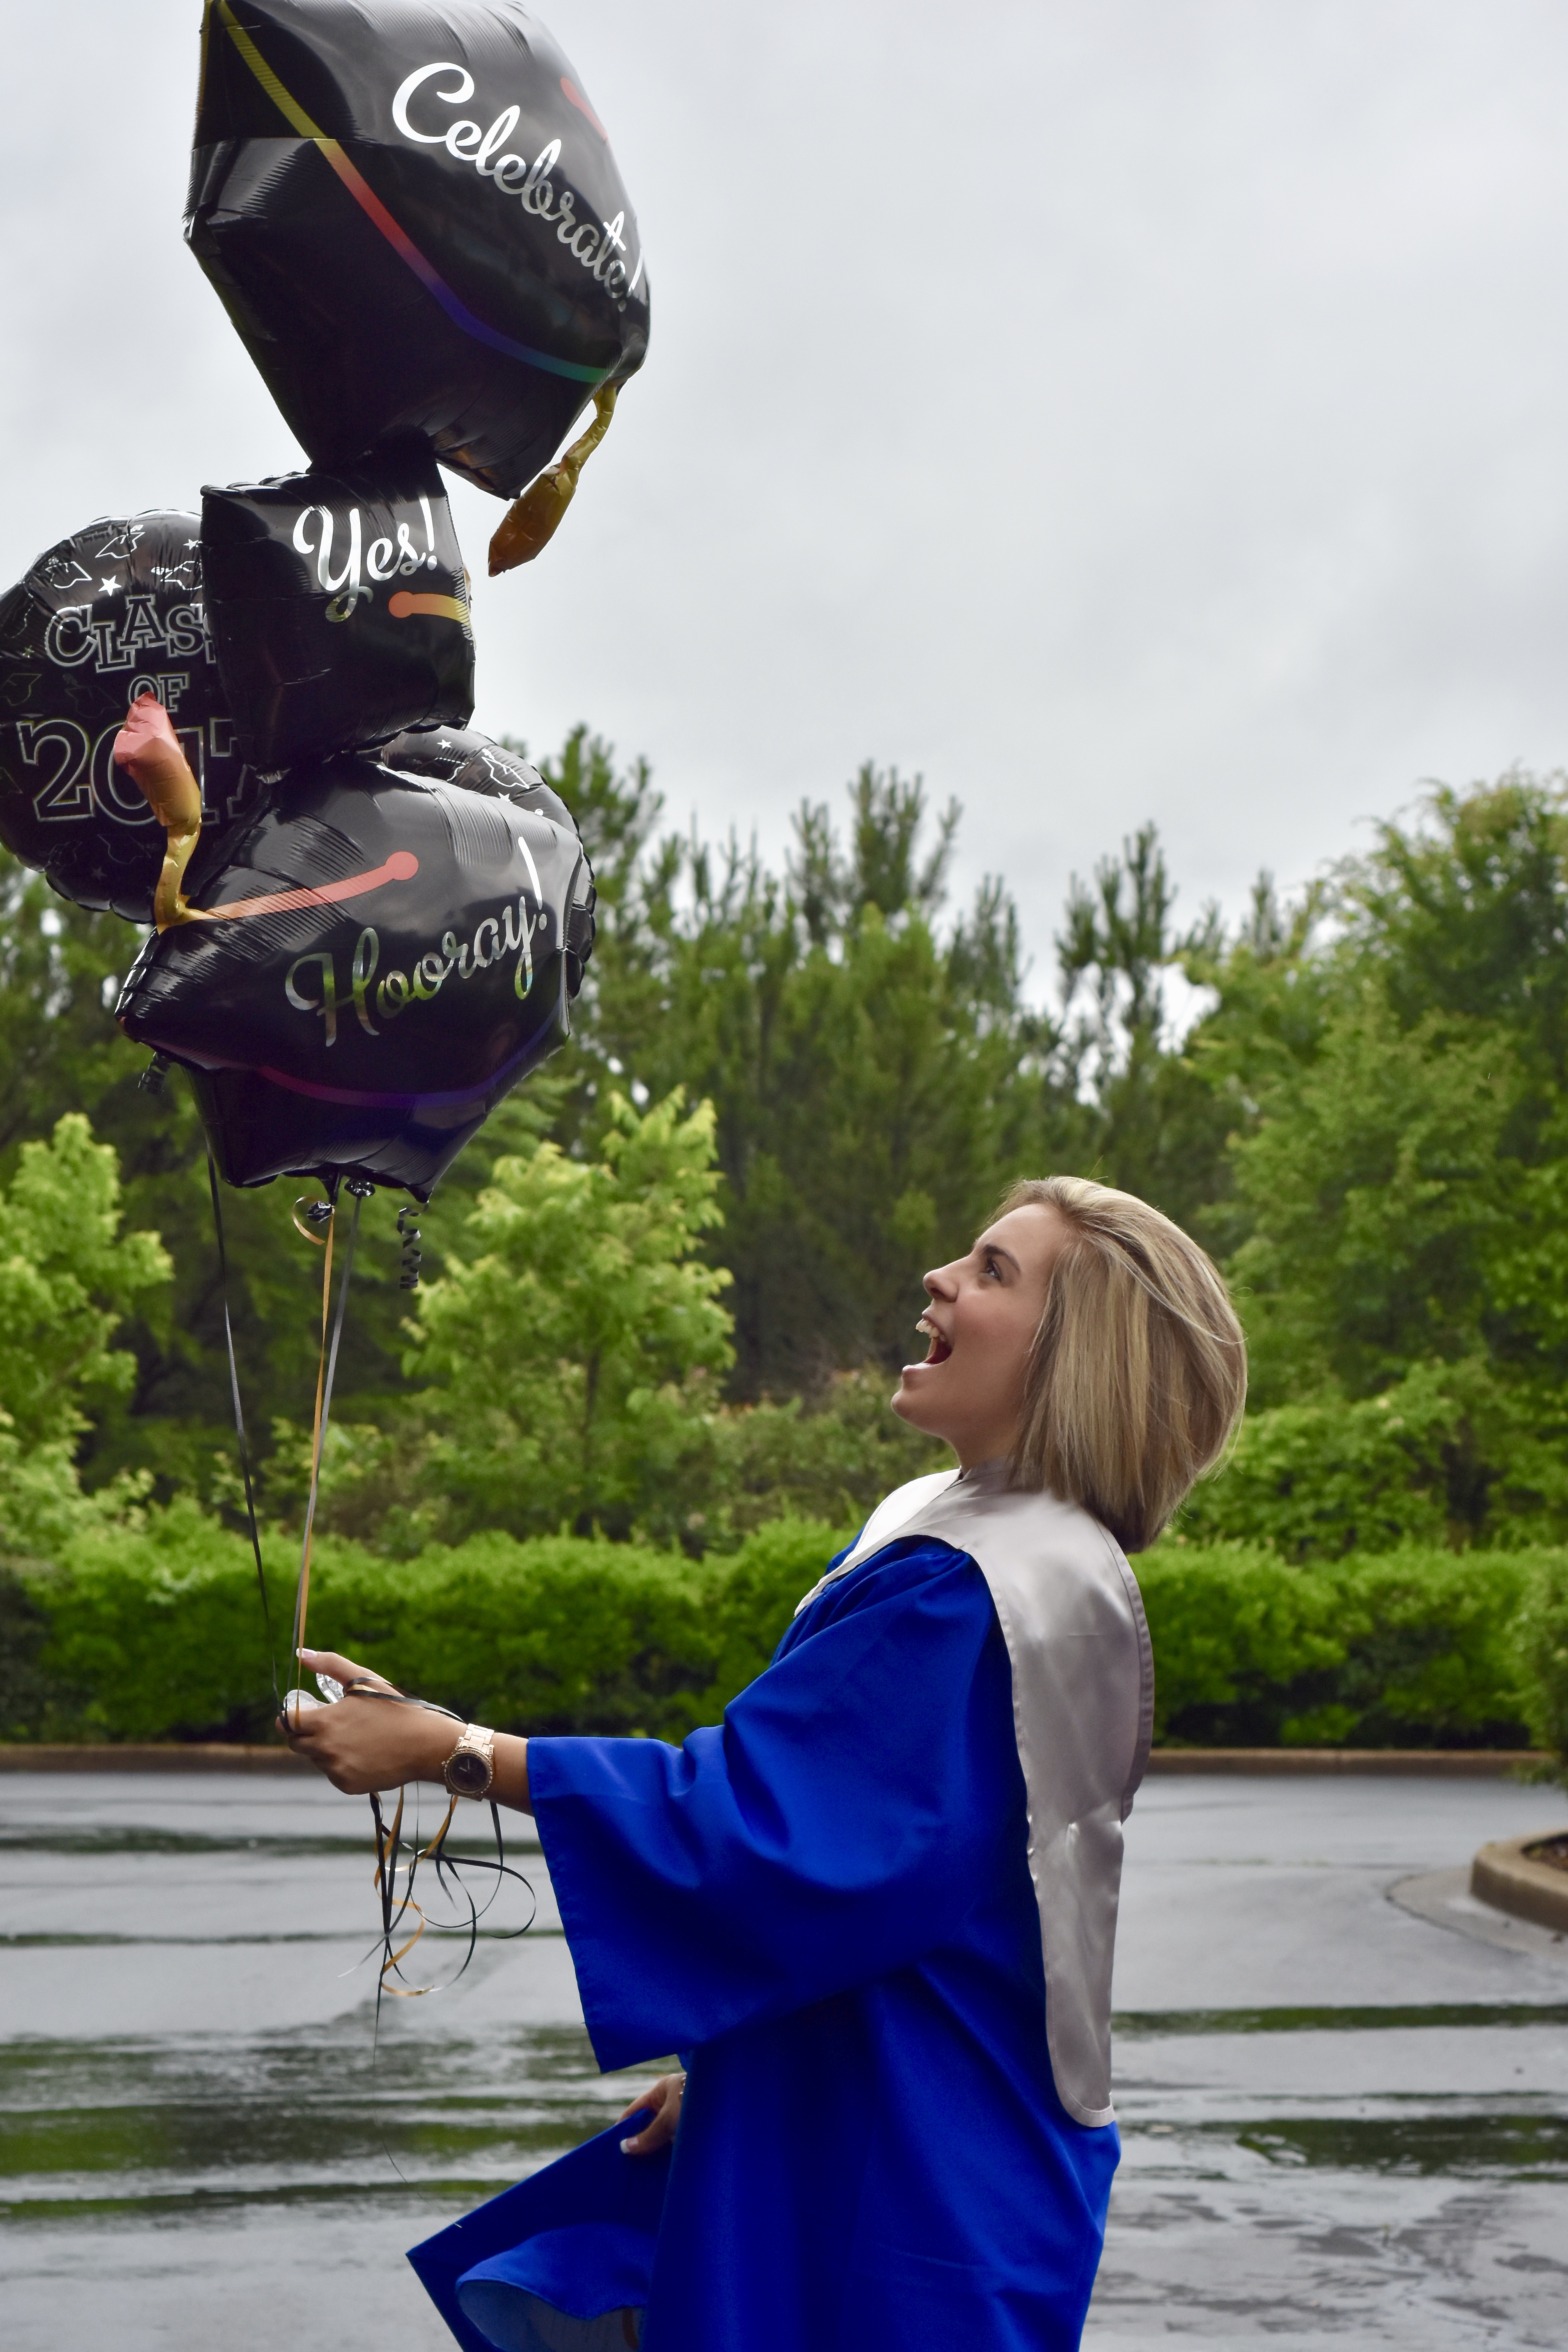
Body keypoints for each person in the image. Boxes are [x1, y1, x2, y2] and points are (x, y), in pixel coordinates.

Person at [285, 1175, 1246, 2352]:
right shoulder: (1012, 1553)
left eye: (994, 1271)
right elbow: (906, 1893)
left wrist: (456, 1751)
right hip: (913, 2113)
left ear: (1076, 1356)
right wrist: (744, 2075)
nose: (941, 1277)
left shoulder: (969, 1591)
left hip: (902, 2169)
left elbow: (761, 1829)